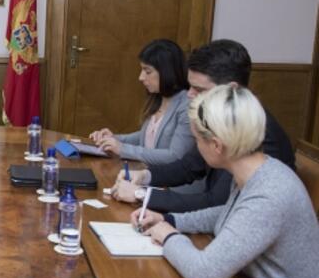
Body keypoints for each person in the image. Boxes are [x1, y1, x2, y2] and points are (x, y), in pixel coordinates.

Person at [132, 85, 319, 278]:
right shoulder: (257, 168)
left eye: (197, 140)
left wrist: (168, 235)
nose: (196, 147)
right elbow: (228, 215)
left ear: (217, 146)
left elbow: (203, 272)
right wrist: (168, 219)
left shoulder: (269, 193)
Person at [112, 39, 295, 212]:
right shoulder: (222, 117)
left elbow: (217, 203)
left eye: (199, 90)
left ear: (231, 90)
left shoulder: (260, 133)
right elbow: (190, 166)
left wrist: (142, 194)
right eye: (190, 87)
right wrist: (145, 176)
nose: (189, 95)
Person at [89, 39, 194, 164]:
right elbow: (147, 137)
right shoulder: (158, 97)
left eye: (147, 71)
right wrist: (112, 139)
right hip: (146, 173)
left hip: (169, 182)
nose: (141, 77)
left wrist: (123, 149)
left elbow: (175, 156)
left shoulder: (187, 105)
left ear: (168, 71)